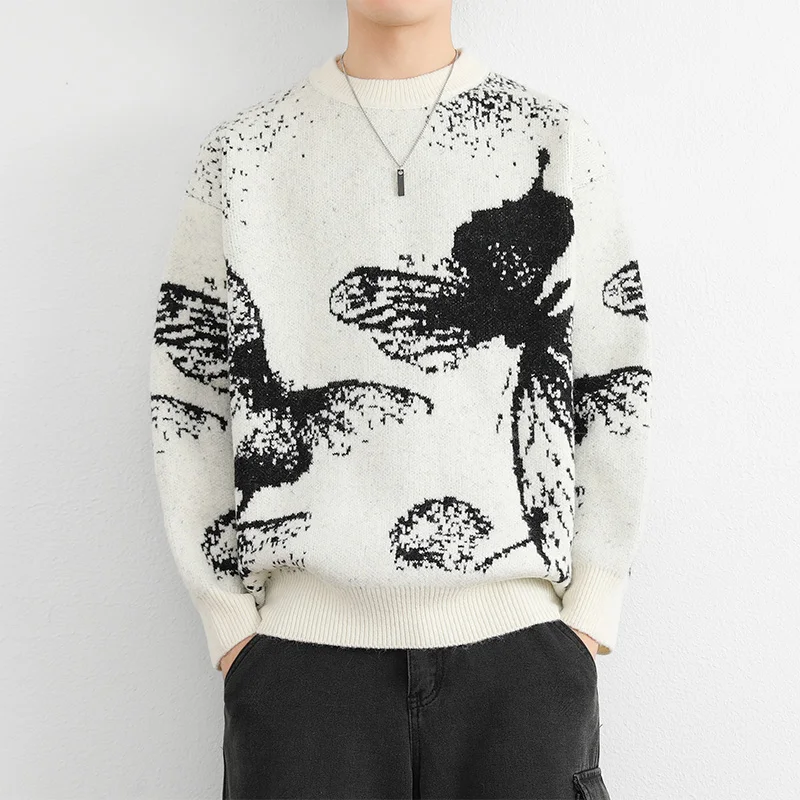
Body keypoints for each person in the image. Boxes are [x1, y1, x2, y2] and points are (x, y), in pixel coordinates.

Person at [149, 1, 652, 797]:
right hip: (300, 673)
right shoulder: (243, 155)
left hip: (520, 660)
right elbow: (188, 390)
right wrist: (228, 620)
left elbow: (616, 373)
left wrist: (592, 604)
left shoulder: (554, 138)